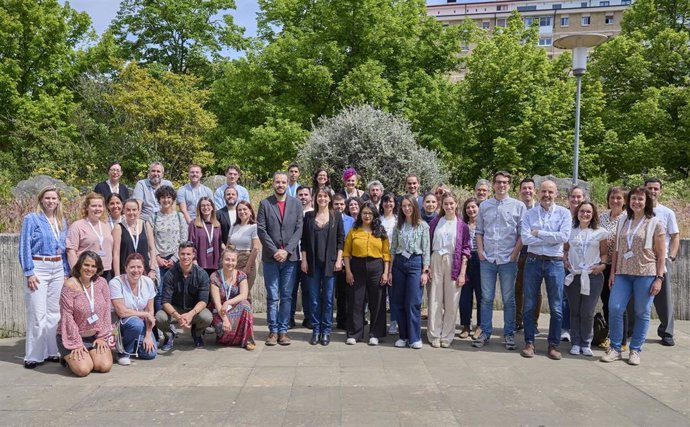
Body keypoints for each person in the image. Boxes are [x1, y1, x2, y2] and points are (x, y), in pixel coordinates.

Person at [600, 187, 665, 365]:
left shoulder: (655, 223)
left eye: (640, 199)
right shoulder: (623, 220)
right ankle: (615, 348)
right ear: (629, 201)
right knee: (615, 308)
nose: (636, 202)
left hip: (645, 274)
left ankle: (635, 350)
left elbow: (661, 254)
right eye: (633, 199)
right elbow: (618, 251)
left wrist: (659, 278)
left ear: (646, 202)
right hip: (622, 273)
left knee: (641, 312)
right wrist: (612, 273)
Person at [520, 180, 572, 360]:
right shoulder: (529, 214)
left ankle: (553, 345)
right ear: (538, 193)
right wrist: (551, 238)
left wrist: (539, 233)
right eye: (543, 191)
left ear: (556, 193)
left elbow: (564, 236)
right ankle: (529, 342)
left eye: (550, 192)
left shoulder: (564, 214)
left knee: (556, 307)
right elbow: (526, 239)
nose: (546, 195)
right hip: (533, 261)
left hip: (555, 263)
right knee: (529, 305)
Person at [18, 186, 69, 369]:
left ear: (58, 201)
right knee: (37, 313)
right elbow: (24, 246)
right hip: (39, 265)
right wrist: (29, 272)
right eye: (47, 198)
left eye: (54, 198)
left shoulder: (62, 220)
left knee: (54, 313)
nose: (51, 201)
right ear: (41, 200)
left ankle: (51, 351)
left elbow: (64, 250)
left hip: (57, 267)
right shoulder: (31, 219)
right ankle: (33, 355)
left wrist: (65, 272)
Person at [473, 172, 524, 351]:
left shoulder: (518, 206)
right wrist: (480, 251)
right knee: (486, 298)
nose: (501, 185)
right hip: (487, 259)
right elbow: (479, 231)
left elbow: (521, 234)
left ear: (509, 185)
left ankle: (509, 334)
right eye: (498, 182)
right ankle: (485, 332)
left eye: (505, 182)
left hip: (507, 259)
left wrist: (514, 254)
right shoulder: (485, 206)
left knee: (508, 299)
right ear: (493, 185)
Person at [256, 171, 304, 346]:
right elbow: (261, 229)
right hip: (271, 258)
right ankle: (273, 331)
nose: (281, 185)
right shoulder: (265, 204)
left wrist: (287, 250)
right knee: (272, 296)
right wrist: (276, 250)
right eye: (278, 182)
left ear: (287, 184)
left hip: (290, 259)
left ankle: (283, 330)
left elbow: (299, 229)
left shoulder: (296, 204)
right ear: (273, 183)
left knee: (286, 296)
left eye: (284, 182)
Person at [57, 251, 113, 377]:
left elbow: (106, 310)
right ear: (79, 265)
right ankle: (66, 358)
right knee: (83, 370)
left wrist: (102, 337)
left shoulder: (102, 283)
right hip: (72, 336)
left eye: (93, 266)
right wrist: (75, 343)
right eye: (86, 265)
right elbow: (67, 317)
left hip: (94, 336)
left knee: (104, 366)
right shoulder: (69, 285)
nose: (90, 269)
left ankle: (89, 355)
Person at [563, 201, 608, 356]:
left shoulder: (600, 232)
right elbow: (565, 250)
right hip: (574, 275)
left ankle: (586, 342)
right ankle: (575, 342)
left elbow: (604, 253)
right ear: (577, 213)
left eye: (588, 212)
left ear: (593, 214)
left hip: (593, 276)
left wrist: (602, 265)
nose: (585, 214)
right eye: (582, 211)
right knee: (574, 311)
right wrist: (565, 260)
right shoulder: (570, 231)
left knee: (587, 311)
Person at [301, 187, 344, 346]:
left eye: (325, 196)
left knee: (327, 299)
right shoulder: (308, 216)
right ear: (315, 198)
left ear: (330, 199)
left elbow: (341, 240)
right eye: (320, 196)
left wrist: (339, 260)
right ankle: (316, 330)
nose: (322, 199)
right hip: (312, 263)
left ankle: (326, 331)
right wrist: (304, 260)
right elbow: (304, 241)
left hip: (330, 264)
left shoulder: (336, 216)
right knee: (313, 299)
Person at [343, 202, 390, 345]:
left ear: (374, 215)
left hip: (376, 267)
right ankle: (355, 334)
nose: (367, 216)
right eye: (364, 213)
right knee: (356, 301)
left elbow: (386, 254)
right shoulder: (354, 230)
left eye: (370, 213)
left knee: (377, 301)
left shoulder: (380, 231)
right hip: (357, 266)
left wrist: (385, 273)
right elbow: (346, 252)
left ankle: (375, 334)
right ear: (360, 214)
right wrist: (348, 272)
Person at [428, 193, 470, 348]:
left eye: (451, 203)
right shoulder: (435, 222)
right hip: (436, 259)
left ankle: (447, 334)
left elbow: (465, 249)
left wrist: (462, 273)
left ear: (456, 204)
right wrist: (428, 267)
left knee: (452, 301)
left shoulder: (462, 225)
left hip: (454, 261)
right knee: (435, 299)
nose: (449, 206)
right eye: (446, 204)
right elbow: (428, 245)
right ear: (442, 205)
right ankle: (434, 334)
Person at [389, 194, 430, 349]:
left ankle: (414, 337)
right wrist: (391, 270)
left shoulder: (423, 226)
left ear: (414, 207)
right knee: (398, 301)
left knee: (413, 302)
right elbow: (393, 249)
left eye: (409, 205)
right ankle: (403, 336)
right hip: (399, 264)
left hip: (415, 263)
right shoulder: (398, 226)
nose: (406, 208)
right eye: (404, 206)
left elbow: (426, 249)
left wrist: (425, 271)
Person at [156, 242, 213, 350]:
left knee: (207, 317)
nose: (185, 257)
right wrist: (178, 316)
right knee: (159, 317)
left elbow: (203, 301)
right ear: (178, 254)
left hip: (194, 309)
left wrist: (190, 314)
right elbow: (165, 301)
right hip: (175, 309)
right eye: (182, 254)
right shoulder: (170, 274)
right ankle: (169, 335)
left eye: (188, 254)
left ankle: (197, 334)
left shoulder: (202, 274)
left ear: (193, 255)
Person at [645, 178, 680, 346]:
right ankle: (630, 329)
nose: (653, 191)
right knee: (633, 298)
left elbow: (675, 236)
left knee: (664, 299)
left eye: (656, 188)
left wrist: (671, 257)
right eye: (649, 188)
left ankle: (667, 332)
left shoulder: (667, 213)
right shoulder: (636, 210)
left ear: (660, 191)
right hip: (640, 260)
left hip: (661, 259)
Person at [109, 253, 157, 365]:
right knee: (136, 323)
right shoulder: (115, 283)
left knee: (150, 354)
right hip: (121, 323)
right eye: (132, 267)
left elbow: (151, 311)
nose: (136, 270)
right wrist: (145, 314)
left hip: (142, 323)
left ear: (143, 268)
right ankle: (124, 352)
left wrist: (148, 335)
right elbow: (121, 312)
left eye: (139, 267)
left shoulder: (148, 282)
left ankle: (134, 342)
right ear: (125, 268)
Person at [598, 186, 628, 349]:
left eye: (619, 198)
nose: (615, 201)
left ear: (624, 201)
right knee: (606, 302)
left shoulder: (628, 218)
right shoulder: (602, 217)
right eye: (612, 197)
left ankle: (622, 339)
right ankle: (609, 335)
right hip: (603, 265)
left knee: (618, 304)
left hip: (620, 267)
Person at [209, 249, 255, 350]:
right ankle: (227, 338)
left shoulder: (241, 275)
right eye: (227, 259)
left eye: (233, 260)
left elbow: (244, 295)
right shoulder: (214, 277)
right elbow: (216, 303)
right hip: (219, 310)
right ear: (222, 260)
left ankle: (247, 339)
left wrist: (228, 302)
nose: (230, 263)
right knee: (223, 329)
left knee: (245, 305)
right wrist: (225, 320)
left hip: (234, 307)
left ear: (236, 262)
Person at [151, 185, 188, 309]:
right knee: (159, 292)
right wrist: (157, 257)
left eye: (168, 197)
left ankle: (174, 321)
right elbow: (150, 240)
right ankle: (160, 323)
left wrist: (174, 258)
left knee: (174, 291)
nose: (166, 200)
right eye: (163, 197)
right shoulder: (153, 217)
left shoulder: (179, 217)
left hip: (175, 259)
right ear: (158, 199)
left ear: (173, 200)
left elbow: (184, 240)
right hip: (158, 260)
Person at [66, 192, 114, 280]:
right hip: (86, 272)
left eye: (100, 206)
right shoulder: (77, 226)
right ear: (87, 207)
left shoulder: (106, 225)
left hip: (106, 270)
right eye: (94, 206)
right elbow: (71, 251)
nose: (97, 209)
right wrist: (77, 273)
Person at [561, 185, 587, 342]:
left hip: (585, 265)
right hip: (566, 264)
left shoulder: (587, 215)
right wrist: (564, 258)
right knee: (565, 297)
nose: (576, 200)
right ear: (568, 198)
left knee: (583, 299)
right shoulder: (563, 215)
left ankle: (580, 330)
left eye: (579, 197)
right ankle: (565, 328)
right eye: (573, 196)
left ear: (584, 198)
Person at [515, 178, 541, 332]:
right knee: (517, 289)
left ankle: (534, 323)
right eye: (524, 188)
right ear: (520, 191)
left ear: (534, 191)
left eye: (530, 188)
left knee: (534, 291)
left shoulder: (539, 209)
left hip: (534, 254)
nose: (527, 191)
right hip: (517, 254)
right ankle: (518, 321)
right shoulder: (516, 208)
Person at [112, 199, 157, 278]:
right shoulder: (118, 228)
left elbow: (152, 249)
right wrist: (117, 275)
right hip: (125, 273)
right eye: (128, 210)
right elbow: (116, 254)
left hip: (144, 272)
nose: (131, 212)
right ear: (124, 211)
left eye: (134, 210)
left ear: (138, 210)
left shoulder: (146, 225)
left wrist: (152, 269)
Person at [458, 197, 481, 339]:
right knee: (464, 297)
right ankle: (466, 325)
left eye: (473, 207)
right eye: (468, 208)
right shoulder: (462, 224)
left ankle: (480, 326)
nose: (471, 210)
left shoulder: (484, 224)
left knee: (481, 295)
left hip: (480, 261)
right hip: (465, 261)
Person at [292, 185, 313, 328]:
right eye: (300, 195)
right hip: (293, 257)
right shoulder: (291, 212)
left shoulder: (315, 213)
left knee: (308, 290)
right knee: (291, 290)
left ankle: (309, 317)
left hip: (309, 258)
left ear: (311, 197)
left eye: (306, 194)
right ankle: (289, 317)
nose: (303, 197)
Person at [333, 194, 355, 330]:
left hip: (346, 260)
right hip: (331, 259)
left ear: (345, 206)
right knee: (331, 292)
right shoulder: (329, 218)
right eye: (336, 204)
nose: (339, 207)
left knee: (344, 292)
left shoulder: (351, 221)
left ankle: (343, 320)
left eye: (341, 204)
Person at [228, 201, 260, 292]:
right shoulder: (234, 226)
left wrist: (247, 267)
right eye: (239, 210)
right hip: (233, 262)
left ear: (250, 211)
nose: (242, 212)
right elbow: (228, 245)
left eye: (244, 209)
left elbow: (256, 248)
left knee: (244, 293)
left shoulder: (254, 227)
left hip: (246, 261)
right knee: (233, 292)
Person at [187, 197, 222, 277]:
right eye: (203, 206)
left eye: (208, 205)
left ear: (212, 207)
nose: (206, 207)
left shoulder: (217, 225)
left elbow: (219, 244)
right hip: (200, 264)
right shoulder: (194, 224)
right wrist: (194, 260)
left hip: (215, 265)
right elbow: (191, 244)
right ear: (199, 208)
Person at [380, 192, 399, 334]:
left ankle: (394, 321)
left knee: (393, 293)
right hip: (378, 259)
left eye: (391, 201)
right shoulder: (377, 220)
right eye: (385, 201)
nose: (388, 204)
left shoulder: (398, 220)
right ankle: (380, 322)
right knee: (379, 293)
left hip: (394, 259)